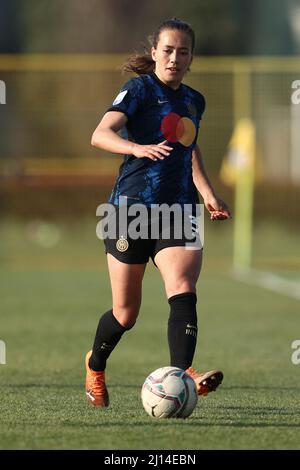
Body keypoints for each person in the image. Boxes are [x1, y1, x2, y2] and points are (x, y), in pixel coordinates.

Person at [86, 18, 231, 407]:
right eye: (167, 50)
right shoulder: (138, 89)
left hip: (179, 209)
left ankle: (184, 374)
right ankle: (95, 365)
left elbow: (190, 147)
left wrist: (208, 194)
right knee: (125, 313)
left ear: (191, 58)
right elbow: (100, 134)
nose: (174, 58)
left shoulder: (194, 101)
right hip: (129, 209)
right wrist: (138, 149)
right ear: (154, 53)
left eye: (183, 52)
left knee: (183, 289)